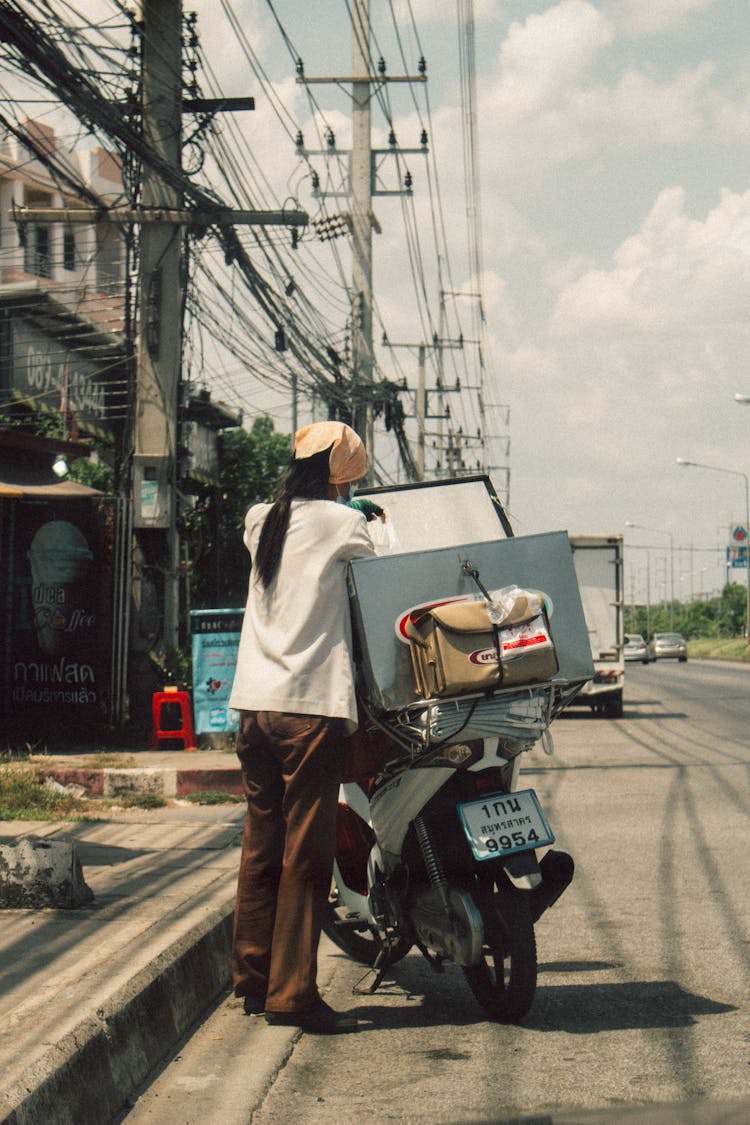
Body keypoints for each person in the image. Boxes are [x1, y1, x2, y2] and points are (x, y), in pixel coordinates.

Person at [229, 420, 379, 1034]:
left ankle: (253, 978)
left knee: (261, 843)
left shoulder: (260, 517)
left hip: (254, 706)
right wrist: (367, 517)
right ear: (346, 475)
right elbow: (378, 573)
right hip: (309, 709)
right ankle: (293, 995)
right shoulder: (346, 524)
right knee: (306, 856)